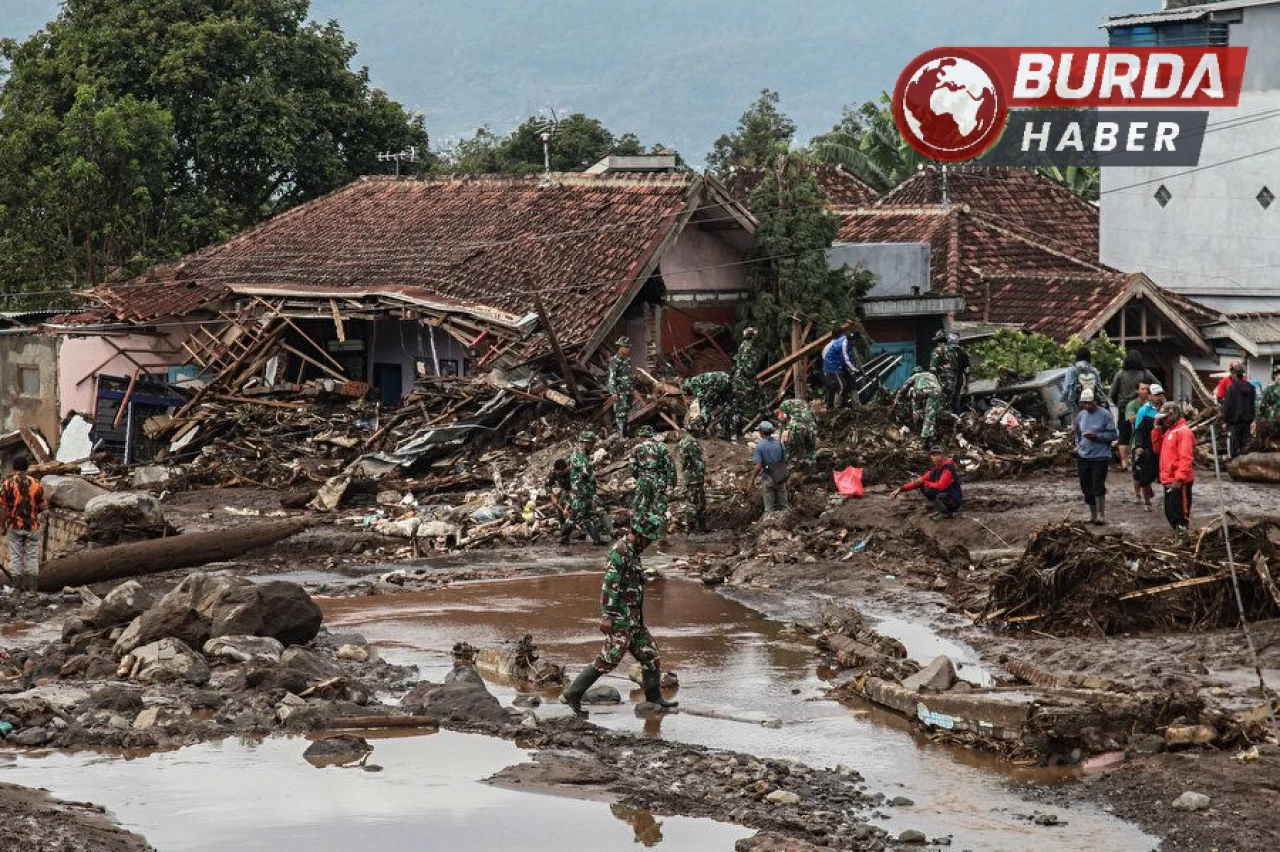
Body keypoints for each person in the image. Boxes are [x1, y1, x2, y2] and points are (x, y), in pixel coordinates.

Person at [558, 513, 677, 718]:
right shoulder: (620, 552)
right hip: (620, 618)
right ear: (639, 535)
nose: (649, 543)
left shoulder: (633, 552)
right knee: (609, 658)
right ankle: (572, 694)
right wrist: (607, 615)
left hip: (634, 619)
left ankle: (654, 698)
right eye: (648, 539)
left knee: (650, 654)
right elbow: (609, 585)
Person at [1, 455, 47, 595]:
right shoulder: (37, 484)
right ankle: (32, 589)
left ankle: (17, 589)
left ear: (14, 467)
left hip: (14, 526)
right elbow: (43, 507)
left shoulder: (8, 485)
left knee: (16, 556)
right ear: (27, 468)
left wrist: (2, 525)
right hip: (32, 526)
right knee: (32, 557)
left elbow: (3, 508)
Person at [1074, 388, 1118, 525]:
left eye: (1090, 403)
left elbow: (1114, 435)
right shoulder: (1081, 415)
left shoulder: (1105, 415)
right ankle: (1092, 514)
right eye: (1084, 403)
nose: (1087, 406)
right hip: (1084, 456)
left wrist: (1097, 437)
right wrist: (1078, 445)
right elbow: (1077, 433)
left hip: (1100, 456)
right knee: (1085, 485)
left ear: (1095, 400)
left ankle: (1101, 514)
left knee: (1097, 484)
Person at [1153, 403, 1195, 544]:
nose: (1163, 420)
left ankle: (1182, 540)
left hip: (1178, 481)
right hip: (1168, 479)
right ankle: (1180, 538)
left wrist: (1179, 478)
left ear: (1172, 414)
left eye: (1165, 418)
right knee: (1170, 512)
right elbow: (1157, 449)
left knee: (1180, 513)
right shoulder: (1170, 431)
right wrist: (1157, 430)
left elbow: (1186, 457)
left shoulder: (1183, 432)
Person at [1109, 350, 1158, 472]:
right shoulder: (1145, 373)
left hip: (1124, 408)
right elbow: (1158, 384)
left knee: (1123, 436)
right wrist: (1150, 398)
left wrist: (1118, 404)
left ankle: (1124, 463)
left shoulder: (1120, 374)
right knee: (1144, 434)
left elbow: (1112, 392)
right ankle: (1144, 460)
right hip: (1143, 407)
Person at [890, 445, 963, 520]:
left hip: (954, 499)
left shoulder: (948, 468)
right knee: (923, 486)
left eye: (939, 454)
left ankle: (946, 513)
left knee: (934, 491)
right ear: (931, 457)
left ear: (943, 456)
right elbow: (918, 481)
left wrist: (925, 483)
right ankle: (942, 510)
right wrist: (900, 489)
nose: (936, 457)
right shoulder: (934, 470)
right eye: (934, 455)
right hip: (946, 496)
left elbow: (941, 486)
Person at [564, 431, 608, 546]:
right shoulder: (579, 455)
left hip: (584, 491)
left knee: (585, 515)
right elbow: (586, 472)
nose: (592, 446)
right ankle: (563, 538)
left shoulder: (583, 454)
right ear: (584, 443)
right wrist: (595, 463)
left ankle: (596, 540)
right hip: (579, 491)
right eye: (590, 443)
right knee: (578, 516)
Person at [629, 426, 675, 534]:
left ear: (641, 436)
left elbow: (632, 468)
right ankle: (660, 538)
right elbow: (670, 467)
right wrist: (671, 484)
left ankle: (637, 535)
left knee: (640, 507)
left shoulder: (637, 448)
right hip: (660, 480)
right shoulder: (662, 447)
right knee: (660, 510)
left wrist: (640, 477)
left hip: (644, 480)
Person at [1132, 383, 1166, 511]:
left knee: (1166, 475)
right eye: (1156, 394)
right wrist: (1139, 446)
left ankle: (1168, 500)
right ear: (1150, 395)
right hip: (1148, 447)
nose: (1159, 397)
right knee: (1145, 475)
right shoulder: (1143, 411)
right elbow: (1138, 430)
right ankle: (1147, 502)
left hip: (1164, 446)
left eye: (1160, 394)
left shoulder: (1167, 409)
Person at [728, 327, 763, 435]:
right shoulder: (749, 348)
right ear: (752, 336)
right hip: (744, 380)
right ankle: (736, 432)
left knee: (737, 404)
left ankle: (735, 431)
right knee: (741, 406)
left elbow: (736, 361)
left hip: (738, 378)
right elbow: (748, 368)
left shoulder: (742, 345)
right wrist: (754, 381)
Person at [896, 367, 944, 443]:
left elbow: (902, 390)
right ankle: (931, 435)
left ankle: (923, 437)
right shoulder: (931, 375)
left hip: (923, 392)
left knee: (927, 415)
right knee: (931, 414)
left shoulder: (914, 376)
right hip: (937, 392)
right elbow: (940, 386)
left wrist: (896, 402)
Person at [751, 421, 790, 513]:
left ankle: (769, 523)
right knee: (784, 504)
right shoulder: (779, 444)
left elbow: (758, 466)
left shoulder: (760, 447)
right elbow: (784, 460)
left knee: (769, 508)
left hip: (768, 477)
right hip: (780, 475)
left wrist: (752, 479)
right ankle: (787, 519)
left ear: (761, 432)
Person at [678, 418, 708, 533]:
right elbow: (697, 461)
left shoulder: (683, 441)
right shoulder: (692, 442)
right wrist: (705, 474)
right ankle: (698, 528)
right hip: (695, 476)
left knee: (692, 501)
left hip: (688, 476)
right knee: (698, 502)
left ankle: (691, 527)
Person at [682, 370, 734, 437]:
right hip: (725, 379)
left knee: (706, 408)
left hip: (719, 382)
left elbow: (702, 398)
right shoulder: (697, 379)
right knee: (725, 406)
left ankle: (698, 428)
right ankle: (726, 431)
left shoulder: (693, 384)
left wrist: (701, 411)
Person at [1222, 362, 1257, 459]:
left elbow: (1227, 406)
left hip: (1233, 423)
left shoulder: (1231, 388)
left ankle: (1233, 468)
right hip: (1247, 423)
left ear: (1234, 374)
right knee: (1245, 447)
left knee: (1232, 449)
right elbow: (1252, 406)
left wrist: (1225, 420)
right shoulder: (1251, 388)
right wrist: (1252, 419)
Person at [1063, 345, 1109, 417]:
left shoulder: (1071, 370)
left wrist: (1061, 400)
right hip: (1092, 402)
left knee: (1078, 421)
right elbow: (1099, 387)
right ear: (1089, 357)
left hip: (1077, 403)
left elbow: (1067, 389)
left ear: (1077, 357)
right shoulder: (1094, 370)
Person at [822, 327, 862, 410]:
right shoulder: (843, 344)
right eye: (852, 340)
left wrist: (855, 367)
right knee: (841, 386)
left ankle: (857, 406)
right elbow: (846, 360)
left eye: (854, 340)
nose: (853, 342)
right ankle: (837, 408)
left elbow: (849, 356)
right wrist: (855, 370)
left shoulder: (849, 341)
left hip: (842, 366)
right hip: (833, 366)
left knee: (852, 384)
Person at [607, 337, 635, 438]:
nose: (628, 349)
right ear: (620, 348)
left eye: (629, 347)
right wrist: (613, 392)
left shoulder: (628, 360)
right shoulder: (615, 360)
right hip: (620, 392)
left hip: (628, 391)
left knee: (627, 412)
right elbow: (611, 377)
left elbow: (629, 375)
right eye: (626, 347)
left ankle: (626, 434)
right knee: (620, 414)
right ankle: (621, 436)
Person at [777, 398, 818, 464]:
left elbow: (782, 419)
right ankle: (810, 459)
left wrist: (781, 437)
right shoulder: (803, 402)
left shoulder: (783, 405)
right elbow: (813, 416)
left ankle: (799, 459)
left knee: (794, 440)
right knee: (810, 446)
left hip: (798, 430)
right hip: (811, 427)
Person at [929, 330, 960, 411]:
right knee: (947, 404)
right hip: (952, 381)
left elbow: (933, 368)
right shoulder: (953, 351)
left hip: (941, 381)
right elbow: (956, 367)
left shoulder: (938, 350)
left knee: (937, 405)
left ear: (938, 340)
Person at [544, 458, 571, 533]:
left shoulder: (572, 472)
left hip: (576, 490)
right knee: (560, 507)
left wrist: (567, 507)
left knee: (575, 508)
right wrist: (552, 496)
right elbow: (547, 485)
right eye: (559, 472)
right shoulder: (554, 472)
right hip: (565, 490)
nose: (560, 474)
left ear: (566, 468)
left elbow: (574, 491)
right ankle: (563, 529)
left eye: (562, 472)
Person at [949, 332, 971, 414]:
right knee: (956, 398)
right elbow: (967, 370)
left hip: (945, 380)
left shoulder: (943, 351)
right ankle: (957, 417)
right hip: (958, 379)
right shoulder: (963, 352)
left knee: (945, 399)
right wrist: (967, 384)